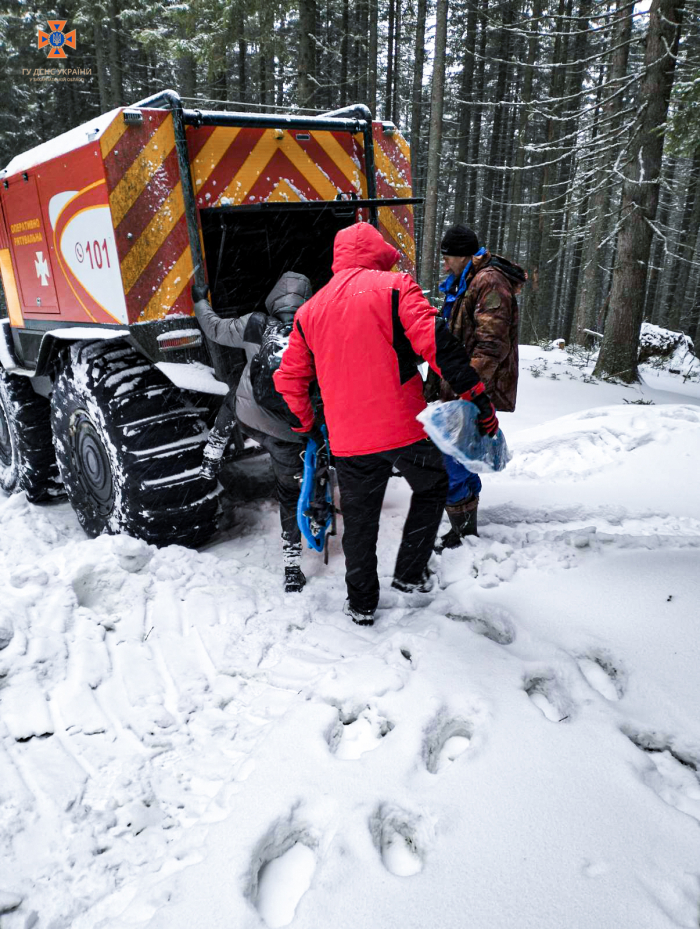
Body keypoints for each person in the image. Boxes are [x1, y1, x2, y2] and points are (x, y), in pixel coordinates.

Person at [273, 223, 498, 627]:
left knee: (359, 521)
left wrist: (306, 426)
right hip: (404, 428)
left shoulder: (310, 311)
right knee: (432, 487)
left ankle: (361, 604)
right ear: (378, 253)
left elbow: (289, 379)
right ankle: (411, 573)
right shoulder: (395, 286)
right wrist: (476, 395)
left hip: (348, 438)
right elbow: (436, 341)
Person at [192, 272, 313, 593]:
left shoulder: (256, 323)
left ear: (274, 299)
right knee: (291, 493)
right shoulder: (316, 326)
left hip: (250, 417)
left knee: (235, 391)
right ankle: (291, 568)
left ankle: (212, 453)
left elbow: (215, 328)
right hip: (291, 429)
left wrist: (199, 300)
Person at [426, 223, 525, 551]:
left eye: (447, 257)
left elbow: (491, 343)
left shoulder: (489, 282)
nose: (443, 264)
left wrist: (468, 388)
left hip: (472, 386)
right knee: (462, 456)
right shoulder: (467, 279)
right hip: (463, 384)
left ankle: (461, 533)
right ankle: (465, 530)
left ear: (464, 255)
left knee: (450, 459)